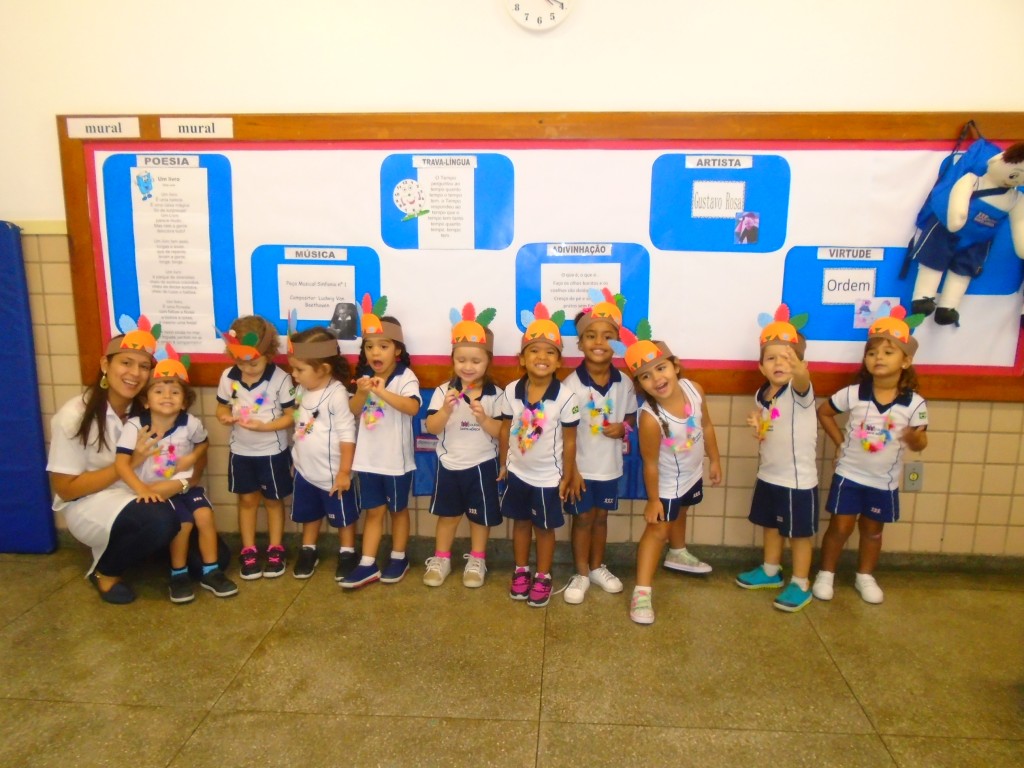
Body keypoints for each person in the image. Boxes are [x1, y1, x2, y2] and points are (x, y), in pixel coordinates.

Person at [46, 319, 182, 604]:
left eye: (144, 366)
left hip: (140, 493)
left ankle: (142, 544)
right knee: (161, 520)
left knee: (212, 555)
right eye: (126, 363)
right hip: (90, 503)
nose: (135, 373)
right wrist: (127, 464)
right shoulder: (74, 416)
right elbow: (66, 489)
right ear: (105, 365)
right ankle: (105, 572)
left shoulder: (146, 409)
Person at [813, 306, 928, 604]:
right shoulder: (854, 393)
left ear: (906, 361)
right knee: (840, 527)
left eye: (888, 352)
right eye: (872, 353)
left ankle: (865, 576)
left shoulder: (914, 403)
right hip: (848, 475)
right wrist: (839, 442)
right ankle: (826, 573)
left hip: (883, 482)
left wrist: (915, 438)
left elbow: (920, 442)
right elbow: (824, 412)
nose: (879, 358)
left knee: (873, 531)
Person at [115, 355, 237, 603]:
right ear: (145, 401)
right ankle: (178, 574)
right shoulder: (135, 426)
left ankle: (211, 571)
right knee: (184, 524)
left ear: (184, 402)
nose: (167, 397)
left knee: (204, 516)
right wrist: (141, 490)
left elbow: (203, 444)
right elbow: (121, 464)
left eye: (174, 392)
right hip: (156, 489)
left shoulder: (190, 423)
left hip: (185, 485)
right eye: (158, 391)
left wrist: (191, 459)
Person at [625, 326, 722, 625]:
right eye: (646, 376)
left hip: (692, 473)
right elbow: (650, 464)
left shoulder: (694, 389)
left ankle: (677, 552)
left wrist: (715, 460)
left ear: (675, 366)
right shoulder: (650, 419)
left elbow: (706, 425)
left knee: (683, 510)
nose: (657, 378)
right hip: (666, 484)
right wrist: (654, 500)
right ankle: (642, 591)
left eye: (661, 368)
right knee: (657, 531)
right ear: (640, 385)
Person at [736, 305, 818, 613]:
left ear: (801, 364)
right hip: (769, 474)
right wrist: (758, 425)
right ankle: (771, 570)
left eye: (788, 357)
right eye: (771, 358)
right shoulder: (763, 394)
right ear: (761, 367)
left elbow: (803, 379)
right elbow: (770, 427)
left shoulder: (800, 391)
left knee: (798, 534)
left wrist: (800, 370)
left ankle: (800, 582)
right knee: (770, 526)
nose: (780, 363)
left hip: (796, 481)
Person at [498, 303, 580, 608]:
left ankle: (543, 576)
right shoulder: (511, 391)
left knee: (544, 529)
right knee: (520, 524)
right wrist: (503, 464)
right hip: (517, 473)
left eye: (549, 352)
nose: (541, 357)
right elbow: (505, 429)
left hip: (548, 478)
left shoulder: (566, 398)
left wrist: (567, 475)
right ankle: (521, 570)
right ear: (522, 359)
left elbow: (570, 442)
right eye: (533, 351)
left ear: (559, 361)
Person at [561, 291, 636, 604]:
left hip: (609, 467)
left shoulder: (625, 383)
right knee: (582, 519)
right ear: (579, 343)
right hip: (580, 469)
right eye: (590, 336)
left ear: (617, 343)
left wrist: (624, 428)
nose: (599, 342)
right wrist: (572, 471)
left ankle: (596, 567)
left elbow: (631, 416)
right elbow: (562, 433)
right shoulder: (570, 385)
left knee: (601, 518)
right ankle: (580, 572)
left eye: (607, 336)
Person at [422, 304, 503, 588]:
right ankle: (441, 558)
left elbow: (501, 433)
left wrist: (484, 419)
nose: (468, 367)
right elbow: (432, 428)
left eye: (476, 361)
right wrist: (445, 410)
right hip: (449, 464)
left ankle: (477, 559)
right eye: (461, 360)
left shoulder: (496, 394)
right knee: (448, 516)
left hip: (483, 465)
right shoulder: (443, 391)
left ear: (488, 362)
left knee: (480, 519)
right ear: (453, 360)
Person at [343, 298, 421, 589]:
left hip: (396, 462)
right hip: (367, 460)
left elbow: (412, 408)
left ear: (397, 350)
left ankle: (399, 557)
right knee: (373, 511)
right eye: (369, 346)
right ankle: (367, 563)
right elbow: (353, 411)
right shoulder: (363, 378)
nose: (375, 352)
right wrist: (364, 392)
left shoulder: (405, 377)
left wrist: (382, 391)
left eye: (383, 346)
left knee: (398, 510)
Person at [215, 317, 295, 580]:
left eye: (254, 363)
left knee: (273, 501)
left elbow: (291, 416)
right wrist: (223, 416)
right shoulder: (228, 376)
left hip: (272, 451)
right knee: (247, 501)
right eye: (240, 363)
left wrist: (266, 427)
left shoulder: (280, 379)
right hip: (241, 451)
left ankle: (275, 548)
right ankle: (248, 549)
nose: (247, 369)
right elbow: (221, 406)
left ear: (268, 354)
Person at [287, 326, 358, 581]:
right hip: (305, 470)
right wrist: (297, 457)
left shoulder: (337, 394)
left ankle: (348, 552)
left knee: (343, 518)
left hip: (333, 475)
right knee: (309, 514)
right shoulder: (301, 390)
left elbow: (347, 435)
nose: (294, 375)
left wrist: (344, 472)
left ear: (323, 369)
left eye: (299, 370)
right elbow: (300, 425)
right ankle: (309, 549)